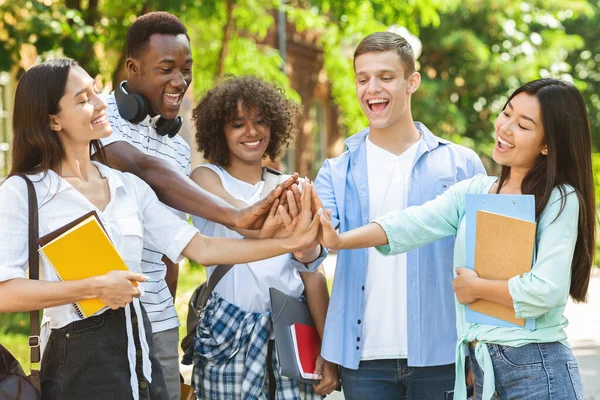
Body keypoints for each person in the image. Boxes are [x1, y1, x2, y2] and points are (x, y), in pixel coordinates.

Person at [0, 59, 320, 400]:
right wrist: (91, 287)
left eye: (95, 90)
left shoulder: (127, 187)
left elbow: (204, 248)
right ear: (53, 119)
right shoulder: (24, 192)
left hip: (140, 355)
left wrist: (291, 242)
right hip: (75, 363)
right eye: (82, 99)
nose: (99, 102)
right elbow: (5, 291)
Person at [317, 78, 592, 400]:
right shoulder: (475, 191)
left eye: (523, 125)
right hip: (485, 363)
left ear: (548, 144)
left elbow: (547, 290)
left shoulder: (560, 198)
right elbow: (412, 223)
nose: (505, 128)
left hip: (537, 366)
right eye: (506, 113)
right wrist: (339, 240)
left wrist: (475, 288)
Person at [99, 12, 296, 398]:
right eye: (166, 69)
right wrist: (237, 215)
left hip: (157, 319)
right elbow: (144, 167)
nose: (180, 81)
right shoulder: (101, 121)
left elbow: (175, 246)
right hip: (101, 320)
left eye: (186, 69)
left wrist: (167, 316)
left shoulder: (175, 143)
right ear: (133, 67)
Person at [313, 31, 485, 399]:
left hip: (442, 353)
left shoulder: (461, 164)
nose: (371, 88)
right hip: (363, 359)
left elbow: (482, 262)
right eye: (363, 78)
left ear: (412, 82)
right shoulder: (335, 171)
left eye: (386, 77)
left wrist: (478, 349)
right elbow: (310, 257)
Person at [187, 76, 339, 398]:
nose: (251, 132)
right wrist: (296, 225)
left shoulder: (292, 185)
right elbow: (245, 220)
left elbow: (312, 275)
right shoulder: (205, 179)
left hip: (290, 337)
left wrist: (329, 350)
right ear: (219, 131)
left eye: (260, 121)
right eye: (238, 124)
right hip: (227, 337)